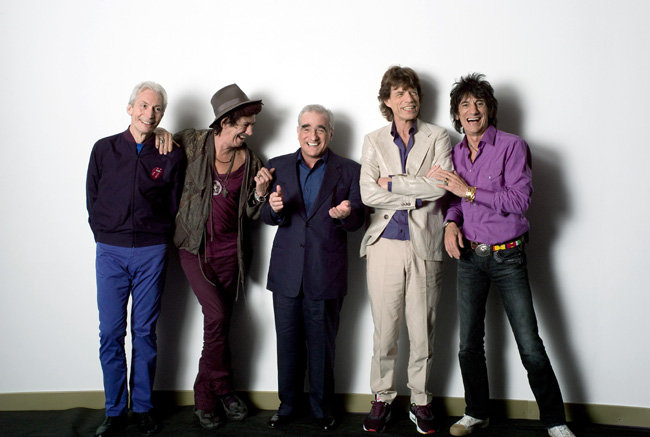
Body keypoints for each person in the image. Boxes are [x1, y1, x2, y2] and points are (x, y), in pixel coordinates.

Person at [429, 73, 575, 437]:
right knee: (468, 344)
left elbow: (519, 201)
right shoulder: (456, 153)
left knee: (529, 344)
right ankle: (476, 411)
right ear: (457, 115)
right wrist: (450, 223)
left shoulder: (512, 146)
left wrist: (469, 191)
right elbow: (454, 202)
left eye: (479, 103)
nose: (472, 110)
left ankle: (555, 421)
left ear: (490, 109)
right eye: (464, 105)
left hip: (508, 256)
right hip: (469, 258)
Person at [171, 84, 273, 430]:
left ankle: (223, 391)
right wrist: (155, 131)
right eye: (244, 124)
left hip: (233, 252)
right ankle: (209, 396)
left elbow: (252, 214)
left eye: (251, 125)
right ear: (224, 122)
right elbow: (161, 147)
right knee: (215, 318)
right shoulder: (192, 142)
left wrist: (260, 194)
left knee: (220, 325)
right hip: (195, 247)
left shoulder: (252, 161)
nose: (250, 131)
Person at [86, 81, 185, 436]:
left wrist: (158, 237)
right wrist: (104, 234)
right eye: (143, 106)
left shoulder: (170, 152)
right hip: (110, 251)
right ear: (130, 108)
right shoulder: (104, 149)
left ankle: (142, 407)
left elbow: (175, 201)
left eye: (157, 109)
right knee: (111, 333)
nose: (150, 113)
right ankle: (114, 411)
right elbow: (91, 196)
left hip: (151, 252)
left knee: (144, 332)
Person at [359, 66, 453, 435]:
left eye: (412, 91)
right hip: (383, 245)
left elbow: (441, 187)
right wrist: (416, 193)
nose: (408, 98)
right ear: (387, 101)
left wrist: (395, 184)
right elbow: (368, 193)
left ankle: (421, 400)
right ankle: (382, 397)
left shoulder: (439, 137)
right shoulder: (373, 140)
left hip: (425, 245)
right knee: (384, 331)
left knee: (423, 330)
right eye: (399, 93)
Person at [260, 104, 365, 431]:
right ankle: (288, 405)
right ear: (297, 132)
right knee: (287, 345)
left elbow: (360, 218)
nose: (313, 135)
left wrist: (348, 213)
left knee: (322, 348)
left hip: (326, 273)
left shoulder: (349, 170)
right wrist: (272, 207)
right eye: (306, 127)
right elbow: (266, 216)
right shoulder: (276, 166)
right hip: (287, 273)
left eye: (320, 128)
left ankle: (323, 409)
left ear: (330, 134)